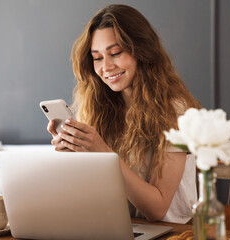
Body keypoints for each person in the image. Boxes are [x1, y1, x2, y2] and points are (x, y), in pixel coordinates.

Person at [47, 4, 201, 224]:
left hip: (171, 233)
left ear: (142, 50)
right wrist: (73, 151)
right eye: (97, 58)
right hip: (118, 227)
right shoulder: (99, 107)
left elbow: (157, 209)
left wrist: (103, 152)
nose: (106, 67)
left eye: (116, 53)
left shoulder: (175, 111)